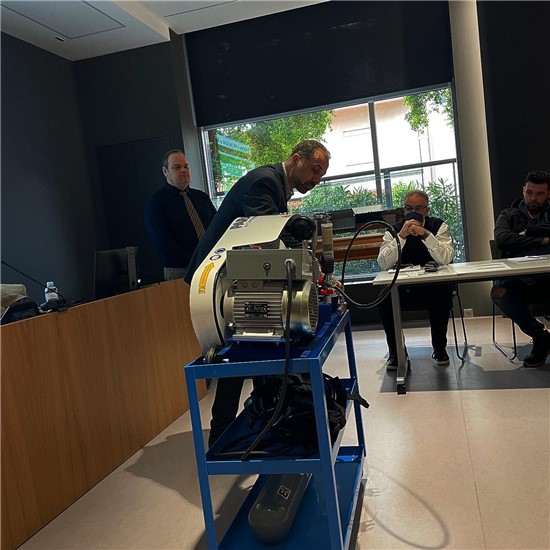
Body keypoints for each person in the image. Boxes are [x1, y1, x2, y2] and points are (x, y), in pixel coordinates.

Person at [185, 139, 331, 446]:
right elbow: (271, 235)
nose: (316, 180)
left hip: (235, 274)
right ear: (296, 159)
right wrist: (308, 266)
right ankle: (222, 437)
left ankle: (261, 419)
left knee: (251, 347)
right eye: (315, 170)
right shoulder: (263, 182)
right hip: (215, 280)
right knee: (237, 353)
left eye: (321, 175)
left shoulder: (277, 184)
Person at [377, 190, 455, 370]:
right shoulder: (393, 231)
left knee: (442, 294)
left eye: (418, 209)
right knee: (384, 299)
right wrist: (401, 237)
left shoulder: (439, 226)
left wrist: (426, 235)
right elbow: (383, 263)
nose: (412, 212)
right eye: (408, 208)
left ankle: (439, 348)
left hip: (432, 285)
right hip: (403, 288)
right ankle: (397, 352)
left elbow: (446, 258)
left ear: (426, 210)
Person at [491, 170, 550, 368]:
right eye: (529, 192)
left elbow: (513, 239)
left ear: (548, 194)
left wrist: (529, 232)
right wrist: (542, 240)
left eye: (540, 194)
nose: (533, 198)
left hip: (548, 276)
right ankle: (540, 336)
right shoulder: (508, 214)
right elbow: (502, 239)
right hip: (521, 278)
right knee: (498, 291)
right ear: (523, 190)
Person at [145, 150, 217, 281]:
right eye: (177, 167)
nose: (183, 170)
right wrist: (196, 259)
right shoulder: (157, 203)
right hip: (180, 270)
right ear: (165, 171)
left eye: (186, 166)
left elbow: (217, 227)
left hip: (211, 265)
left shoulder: (201, 197)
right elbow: (163, 242)